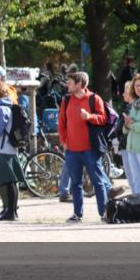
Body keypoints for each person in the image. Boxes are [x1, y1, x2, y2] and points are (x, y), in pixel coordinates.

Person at [58, 72, 111, 223]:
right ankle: (77, 214)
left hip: (90, 149)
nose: (67, 85)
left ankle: (104, 212)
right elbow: (62, 123)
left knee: (98, 182)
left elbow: (103, 119)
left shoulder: (95, 99)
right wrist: (64, 141)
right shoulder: (66, 100)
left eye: (70, 82)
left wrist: (90, 117)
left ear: (79, 84)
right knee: (75, 182)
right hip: (72, 150)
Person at [0, 81, 23, 221]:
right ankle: (10, 211)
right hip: (9, 148)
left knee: (9, 182)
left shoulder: (1, 108)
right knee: (11, 181)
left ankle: (12, 212)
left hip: (3, 149)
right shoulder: (9, 105)